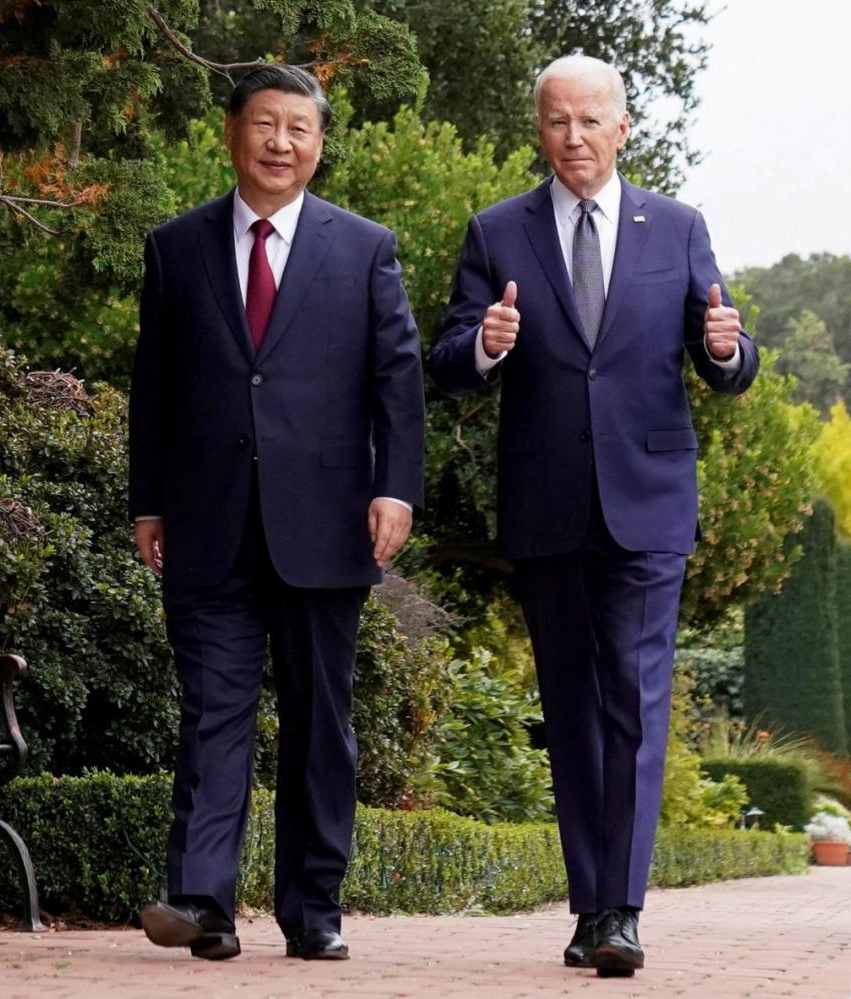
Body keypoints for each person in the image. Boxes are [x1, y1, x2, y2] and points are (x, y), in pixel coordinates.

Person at [427, 54, 759, 978]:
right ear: (538, 130)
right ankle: (588, 905)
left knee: (637, 705)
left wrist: (729, 353)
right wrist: (484, 349)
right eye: (556, 122)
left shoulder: (679, 227)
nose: (573, 138)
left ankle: (622, 911)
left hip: (649, 505)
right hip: (546, 505)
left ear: (623, 129)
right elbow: (446, 356)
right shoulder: (497, 231)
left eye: (590, 121)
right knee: (571, 708)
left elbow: (722, 347)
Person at [128, 64, 425, 963]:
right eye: (265, 124)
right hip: (205, 519)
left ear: (320, 145)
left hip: (328, 522)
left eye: (299, 128)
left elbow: (397, 384)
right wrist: (148, 501)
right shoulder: (175, 247)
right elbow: (154, 389)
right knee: (212, 710)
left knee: (317, 721)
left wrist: (395, 486)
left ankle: (313, 907)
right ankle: (203, 901)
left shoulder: (365, 246)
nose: (280, 143)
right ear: (232, 132)